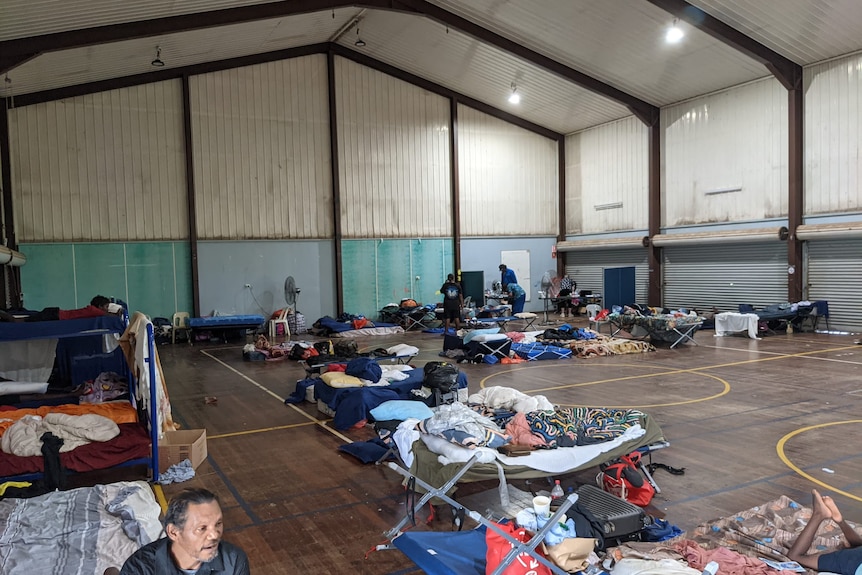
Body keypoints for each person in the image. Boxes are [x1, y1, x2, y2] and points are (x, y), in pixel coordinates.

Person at [115, 488, 250, 575]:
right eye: (201, 528)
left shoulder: (234, 559)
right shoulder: (141, 568)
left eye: (218, 524)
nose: (214, 535)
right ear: (174, 532)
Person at [785, 489, 862, 575]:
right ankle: (818, 514)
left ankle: (840, 521)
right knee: (795, 556)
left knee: (858, 546)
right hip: (853, 563)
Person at [0, 295, 116, 322]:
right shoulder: (93, 310)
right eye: (106, 307)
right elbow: (107, 315)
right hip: (55, 315)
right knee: (23, 321)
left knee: (28, 319)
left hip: (55, 313)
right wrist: (118, 313)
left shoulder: (93, 311)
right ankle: (5, 316)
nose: (107, 309)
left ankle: (5, 317)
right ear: (100, 306)